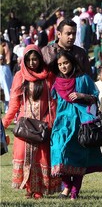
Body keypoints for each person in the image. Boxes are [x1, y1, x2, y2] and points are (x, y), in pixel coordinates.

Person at [2, 44, 61, 199]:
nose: (32, 63)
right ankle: (29, 188)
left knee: (41, 157)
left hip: (43, 124)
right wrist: (4, 123)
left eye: (35, 59)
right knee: (23, 155)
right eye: (29, 60)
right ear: (24, 61)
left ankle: (39, 190)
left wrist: (52, 121)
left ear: (40, 59)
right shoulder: (19, 77)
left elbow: (53, 102)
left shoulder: (48, 76)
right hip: (25, 125)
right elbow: (14, 104)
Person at [50, 50, 102, 200]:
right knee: (59, 151)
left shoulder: (83, 79)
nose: (63, 66)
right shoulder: (57, 82)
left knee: (79, 156)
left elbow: (95, 97)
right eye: (60, 64)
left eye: (66, 63)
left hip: (81, 124)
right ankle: (66, 186)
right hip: (62, 123)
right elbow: (52, 100)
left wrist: (82, 96)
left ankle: (74, 191)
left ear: (72, 63)